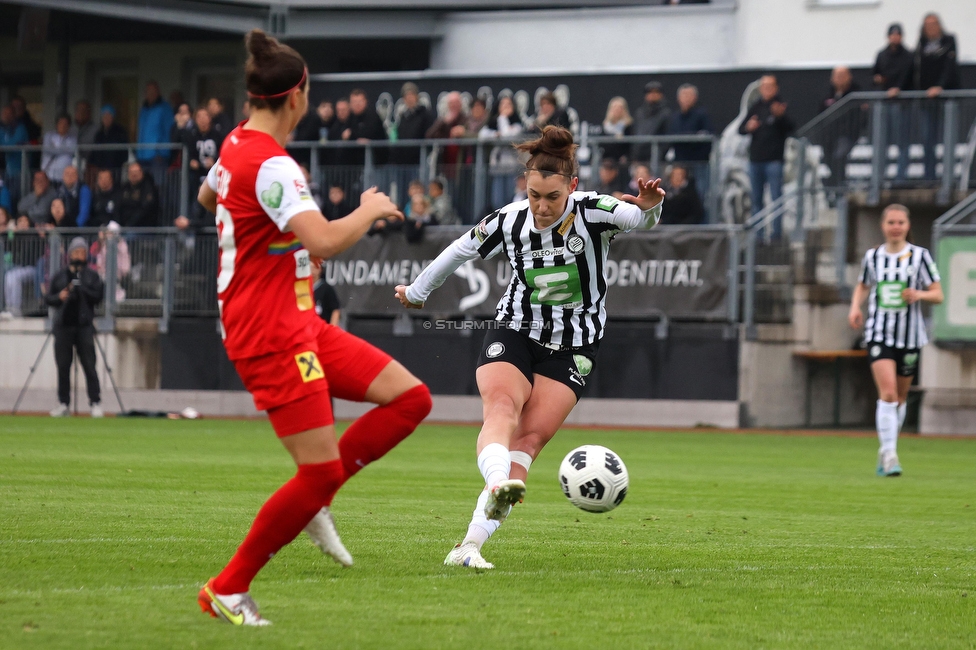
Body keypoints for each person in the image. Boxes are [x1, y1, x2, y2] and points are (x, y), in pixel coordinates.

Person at [195, 29, 431, 626]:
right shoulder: (272, 163)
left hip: (295, 318)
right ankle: (228, 587)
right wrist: (369, 210)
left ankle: (313, 500)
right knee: (320, 469)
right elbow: (325, 236)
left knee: (410, 400)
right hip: (268, 329)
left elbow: (208, 196)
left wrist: (280, 244)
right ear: (297, 97)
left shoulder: (235, 143)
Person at [395, 125, 664, 570]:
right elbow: (458, 250)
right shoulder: (510, 219)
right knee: (502, 407)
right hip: (515, 328)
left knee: (530, 439)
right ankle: (499, 483)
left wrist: (654, 207)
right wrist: (419, 292)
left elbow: (640, 219)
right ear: (526, 185)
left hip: (575, 345)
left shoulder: (595, 211)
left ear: (572, 187)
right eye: (535, 194)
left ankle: (468, 547)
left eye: (552, 197)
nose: (541, 206)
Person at [848, 204, 943, 477]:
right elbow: (864, 284)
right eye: (891, 222)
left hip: (910, 337)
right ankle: (890, 455)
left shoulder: (920, 257)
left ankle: (886, 447)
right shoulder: (873, 256)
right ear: (883, 225)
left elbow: (938, 294)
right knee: (888, 393)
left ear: (907, 225)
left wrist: (919, 295)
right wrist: (855, 306)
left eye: (901, 222)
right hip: (879, 333)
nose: (896, 227)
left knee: (900, 398)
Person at [44, 237, 105, 418]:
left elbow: (98, 296)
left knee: (89, 365)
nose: (80, 255)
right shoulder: (60, 275)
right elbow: (49, 298)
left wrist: (81, 290)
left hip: (84, 326)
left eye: (83, 252)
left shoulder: (92, 276)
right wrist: (60, 297)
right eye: (77, 252)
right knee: (63, 366)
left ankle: (95, 402)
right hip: (63, 326)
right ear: (70, 254)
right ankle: (64, 403)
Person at [739, 75, 794, 238]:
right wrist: (749, 127)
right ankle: (758, 236)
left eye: (770, 86)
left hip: (774, 160)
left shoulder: (780, 106)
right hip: (755, 160)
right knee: (756, 200)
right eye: (764, 86)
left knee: (776, 198)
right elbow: (741, 128)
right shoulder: (756, 107)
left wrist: (780, 117)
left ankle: (776, 235)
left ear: (776, 88)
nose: (767, 89)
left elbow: (791, 127)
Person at [909, 13, 960, 180]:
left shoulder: (949, 41)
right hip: (926, 101)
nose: (931, 27)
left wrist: (940, 87)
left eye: (934, 24)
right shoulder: (920, 45)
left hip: (946, 99)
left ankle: (947, 177)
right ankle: (928, 176)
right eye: (927, 24)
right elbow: (915, 69)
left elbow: (949, 67)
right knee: (927, 139)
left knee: (947, 138)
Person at [873, 23, 914, 181]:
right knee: (882, 140)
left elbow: (909, 77)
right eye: (892, 35)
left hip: (902, 104)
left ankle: (901, 176)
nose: (895, 37)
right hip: (884, 103)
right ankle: (880, 176)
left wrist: (899, 89)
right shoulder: (882, 54)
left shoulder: (908, 56)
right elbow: (875, 74)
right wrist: (878, 80)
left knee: (902, 141)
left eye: (897, 35)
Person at [668, 84, 713, 204]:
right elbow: (671, 137)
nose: (686, 98)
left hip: (699, 163)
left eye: (689, 95)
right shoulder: (675, 117)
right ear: (678, 98)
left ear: (695, 97)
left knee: (701, 195)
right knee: (680, 196)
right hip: (680, 163)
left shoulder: (702, 115)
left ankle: (702, 222)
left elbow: (707, 137)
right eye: (683, 95)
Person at [480, 95, 524, 210]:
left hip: (512, 168)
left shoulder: (517, 125)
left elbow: (506, 136)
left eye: (508, 105)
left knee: (511, 200)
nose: (505, 107)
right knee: (497, 201)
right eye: (503, 105)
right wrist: (495, 135)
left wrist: (503, 118)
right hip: (497, 168)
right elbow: (482, 135)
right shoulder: (492, 124)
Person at [2, 214, 42, 318]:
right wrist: (12, 235)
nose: (23, 223)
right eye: (20, 221)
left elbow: (33, 255)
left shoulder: (34, 235)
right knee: (8, 276)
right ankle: (9, 307)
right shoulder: (17, 237)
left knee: (14, 277)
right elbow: (9, 250)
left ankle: (15, 309)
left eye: (25, 221)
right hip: (20, 268)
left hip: (32, 268)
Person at [136, 81, 174, 181]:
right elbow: (140, 132)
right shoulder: (143, 109)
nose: (150, 93)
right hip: (142, 156)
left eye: (153, 91)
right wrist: (138, 153)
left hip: (157, 158)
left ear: (158, 92)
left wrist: (162, 152)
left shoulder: (164, 108)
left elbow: (168, 131)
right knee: (144, 187)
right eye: (148, 91)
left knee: (158, 188)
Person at [391, 82, 434, 167]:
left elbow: (429, 135)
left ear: (417, 97)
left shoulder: (425, 114)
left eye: (412, 95)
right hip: (403, 162)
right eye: (407, 96)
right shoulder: (402, 117)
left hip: (420, 160)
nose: (409, 98)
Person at [632, 81, 671, 162]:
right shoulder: (639, 113)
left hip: (657, 157)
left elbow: (667, 138)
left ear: (661, 95)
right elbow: (635, 133)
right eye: (650, 92)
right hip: (640, 156)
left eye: (656, 92)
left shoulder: (666, 113)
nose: (653, 95)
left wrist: (660, 154)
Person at [89, 105, 129, 173]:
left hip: (115, 167)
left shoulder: (120, 132)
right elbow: (94, 150)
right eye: (104, 116)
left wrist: (120, 162)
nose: (106, 118)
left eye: (109, 116)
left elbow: (124, 151)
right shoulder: (99, 134)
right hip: (101, 168)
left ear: (113, 117)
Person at [119, 162, 158, 228]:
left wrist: (128, 225)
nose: (134, 174)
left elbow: (144, 210)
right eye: (131, 172)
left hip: (143, 228)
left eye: (136, 172)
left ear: (141, 173)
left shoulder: (148, 188)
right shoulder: (124, 188)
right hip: (124, 226)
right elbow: (118, 206)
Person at [42, 114, 77, 184]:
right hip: (48, 174)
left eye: (65, 124)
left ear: (69, 126)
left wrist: (55, 148)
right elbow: (47, 150)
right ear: (56, 124)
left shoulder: (73, 139)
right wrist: (64, 149)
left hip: (64, 176)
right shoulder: (48, 136)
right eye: (61, 123)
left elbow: (71, 151)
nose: (63, 126)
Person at [600, 96, 633, 166]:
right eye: (615, 107)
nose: (617, 110)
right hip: (607, 161)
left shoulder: (628, 126)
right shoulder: (605, 125)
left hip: (622, 162)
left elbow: (630, 145)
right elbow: (601, 144)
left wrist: (626, 157)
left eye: (620, 107)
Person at [312, 261, 341, 327]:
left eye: (315, 268)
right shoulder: (301, 288)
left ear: (320, 269)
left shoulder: (326, 288)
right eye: (310, 268)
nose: (312, 271)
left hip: (322, 328)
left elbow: (335, 310)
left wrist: (332, 328)